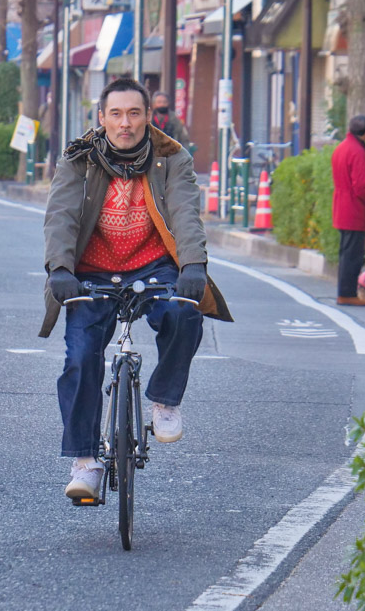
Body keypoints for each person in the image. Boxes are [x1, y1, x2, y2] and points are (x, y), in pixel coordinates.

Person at [41, 77, 232, 500]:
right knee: (79, 360)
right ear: (101, 118)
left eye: (133, 113)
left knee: (185, 311)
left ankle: (164, 398)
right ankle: (85, 462)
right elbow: (61, 215)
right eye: (116, 114)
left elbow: (184, 211)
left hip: (152, 265)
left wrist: (194, 264)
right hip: (91, 272)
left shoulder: (171, 156)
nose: (125, 123)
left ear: (148, 116)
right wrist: (59, 267)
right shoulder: (79, 158)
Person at [332, 115, 365, 307]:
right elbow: (362, 187)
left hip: (341, 207)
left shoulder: (341, 148)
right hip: (354, 210)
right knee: (353, 255)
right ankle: (347, 294)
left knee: (346, 253)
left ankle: (345, 292)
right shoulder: (358, 152)